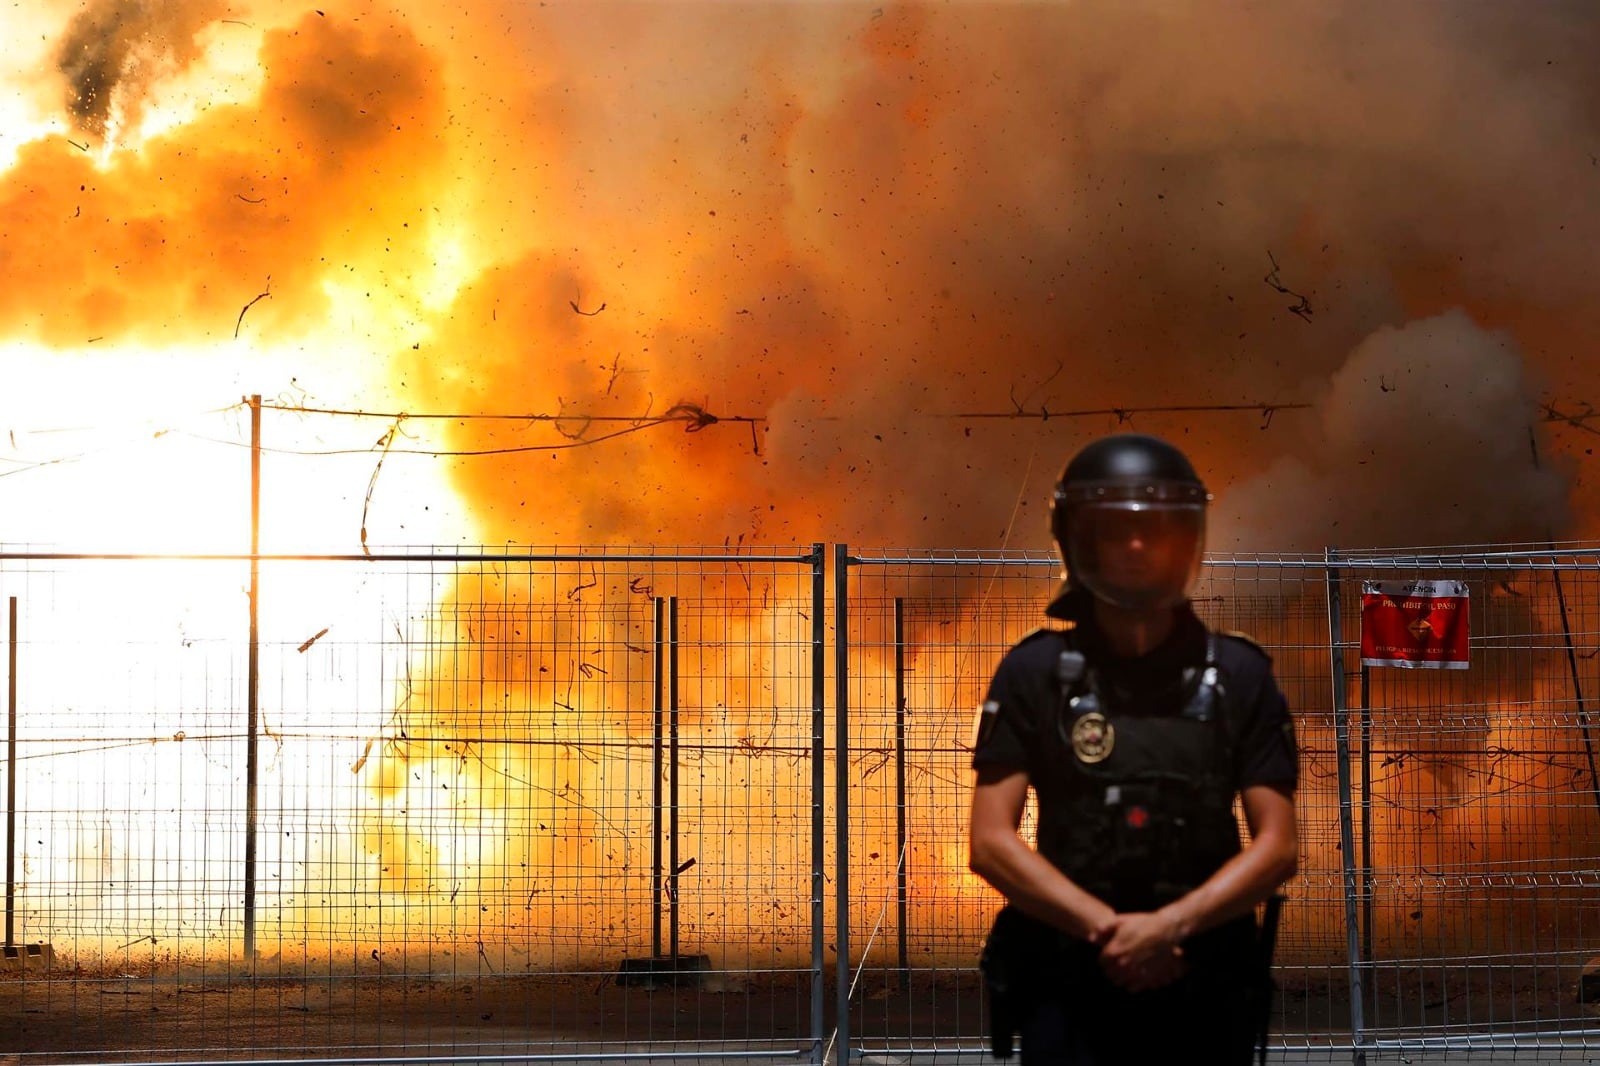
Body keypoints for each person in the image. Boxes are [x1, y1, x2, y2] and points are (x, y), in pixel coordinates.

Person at [967, 432, 1299, 1065]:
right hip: (1070, 987)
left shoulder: (1238, 675)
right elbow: (990, 841)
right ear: (1079, 539)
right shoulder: (1034, 673)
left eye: (1160, 528)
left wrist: (1166, 929)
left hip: (1203, 987)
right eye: (1117, 530)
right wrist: (1110, 931)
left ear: (1189, 538)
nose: (1140, 544)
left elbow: (1278, 845)